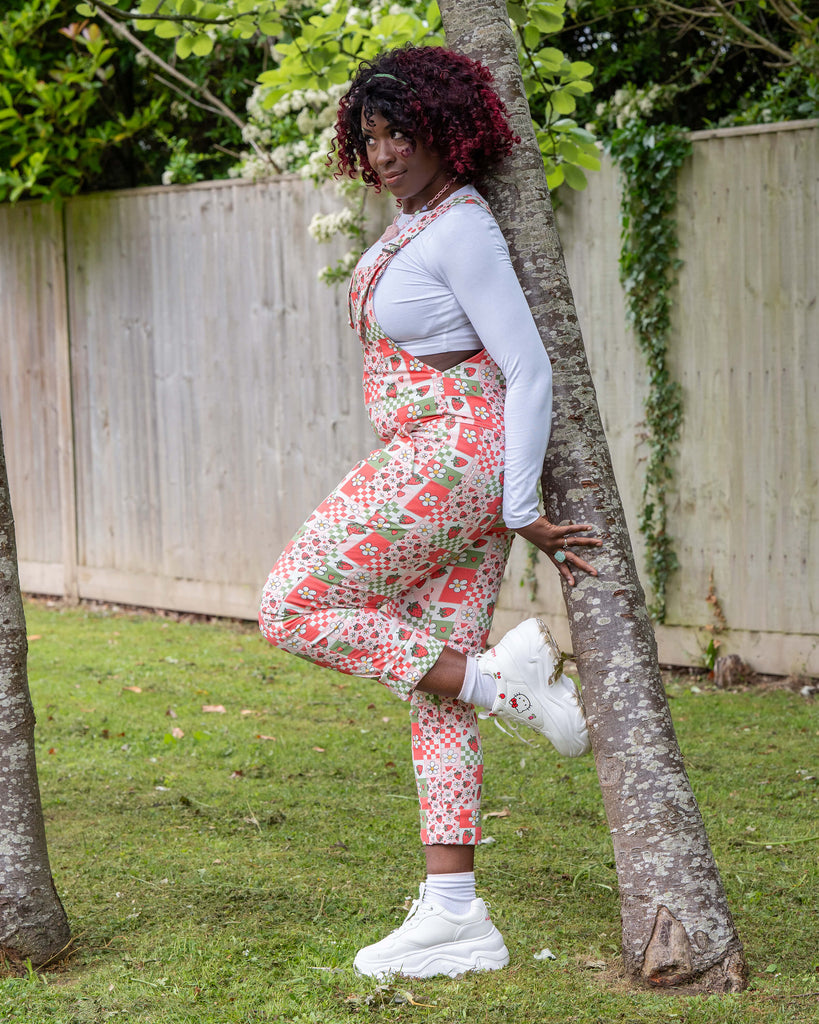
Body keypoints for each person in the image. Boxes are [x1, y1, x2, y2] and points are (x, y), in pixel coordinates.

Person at [259, 44, 602, 981]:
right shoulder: (415, 225)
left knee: (290, 605)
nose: (382, 153)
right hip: (435, 456)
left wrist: (520, 500)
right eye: (369, 137)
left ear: (448, 132)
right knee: (434, 678)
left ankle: (504, 687)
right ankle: (456, 915)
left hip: (454, 454)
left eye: (400, 133)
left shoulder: (461, 228)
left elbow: (527, 366)